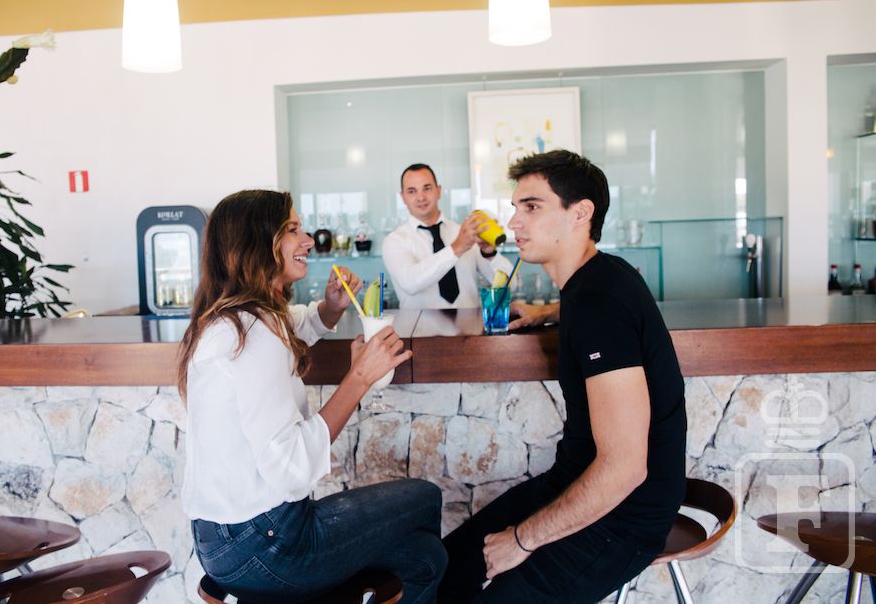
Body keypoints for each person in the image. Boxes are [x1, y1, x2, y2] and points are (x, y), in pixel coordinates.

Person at [438, 150, 687, 603]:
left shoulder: (598, 304)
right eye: (515, 208)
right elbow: (598, 313)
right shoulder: (598, 279)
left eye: (531, 207)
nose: (514, 223)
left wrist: (522, 540)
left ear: (580, 213)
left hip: (622, 518)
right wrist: (547, 312)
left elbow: (625, 469)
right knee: (445, 567)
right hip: (573, 482)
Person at [180, 189, 447, 604]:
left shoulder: (236, 319)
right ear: (257, 244)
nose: (307, 241)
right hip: (267, 548)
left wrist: (331, 307)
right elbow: (291, 467)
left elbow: (295, 326)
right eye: (292, 230)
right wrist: (359, 377)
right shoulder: (252, 337)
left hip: (225, 543)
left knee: (426, 557)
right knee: (426, 498)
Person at [382, 163, 513, 309]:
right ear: (403, 197)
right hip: (418, 324)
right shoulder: (394, 241)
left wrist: (489, 253)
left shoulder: (465, 233)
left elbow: (511, 285)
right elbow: (409, 283)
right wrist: (457, 247)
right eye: (412, 191)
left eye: (427, 188)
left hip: (470, 323)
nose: (420, 197)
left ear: (438, 191)